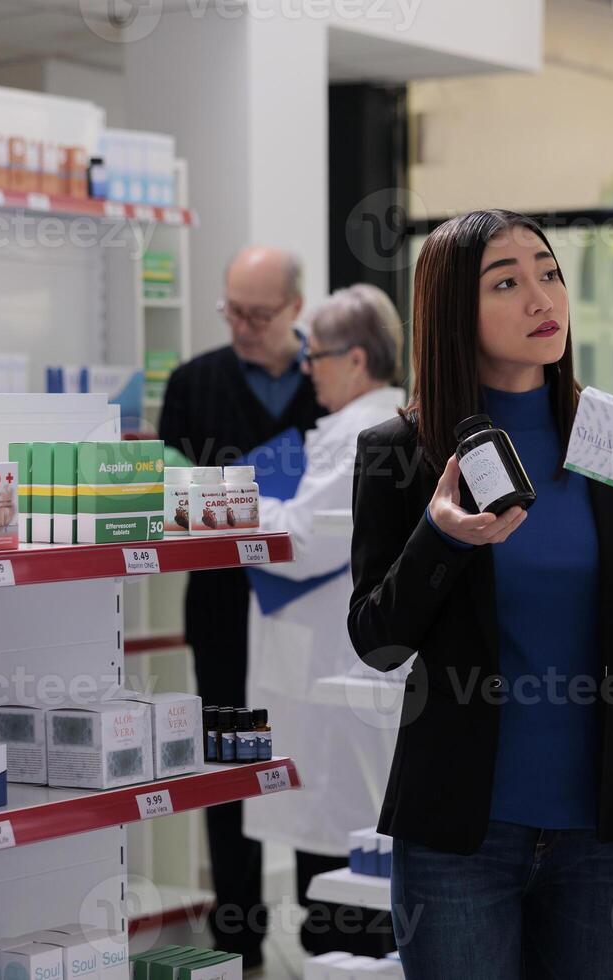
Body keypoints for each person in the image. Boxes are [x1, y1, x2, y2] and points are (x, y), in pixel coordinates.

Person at [347, 209, 613, 979]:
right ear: (451, 313)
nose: (543, 299)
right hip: (458, 841)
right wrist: (441, 540)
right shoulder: (398, 454)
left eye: (549, 272)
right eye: (507, 282)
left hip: (598, 840)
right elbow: (377, 640)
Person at [157, 245, 326, 969]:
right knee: (230, 766)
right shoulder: (194, 383)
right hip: (226, 611)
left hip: (318, 614)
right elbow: (164, 498)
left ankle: (332, 930)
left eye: (259, 313)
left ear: (296, 308)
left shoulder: (337, 378)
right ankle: (239, 937)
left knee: (320, 760)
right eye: (233, 310)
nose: (243, 326)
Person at [243, 284, 407, 956]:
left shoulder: (365, 434)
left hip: (337, 668)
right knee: (334, 826)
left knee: (340, 840)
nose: (306, 366)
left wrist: (234, 502)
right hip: (326, 660)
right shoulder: (354, 427)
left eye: (318, 355)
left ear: (359, 359)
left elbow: (305, 541)